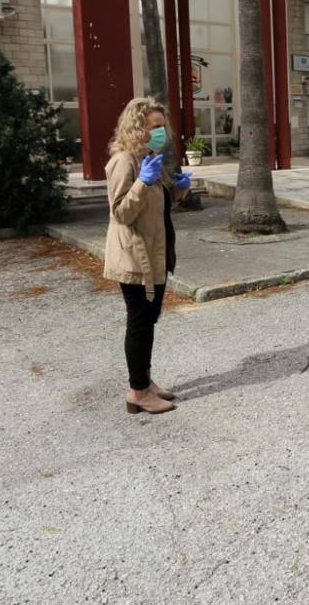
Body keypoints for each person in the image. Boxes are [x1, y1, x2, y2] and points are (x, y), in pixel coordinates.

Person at [104, 98, 192, 415]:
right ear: (138, 128)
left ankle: (145, 381)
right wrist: (142, 181)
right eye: (153, 127)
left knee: (149, 321)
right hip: (133, 257)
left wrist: (178, 190)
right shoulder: (124, 161)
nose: (160, 132)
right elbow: (122, 213)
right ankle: (137, 392)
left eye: (161, 126)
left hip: (155, 254)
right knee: (139, 323)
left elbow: (157, 209)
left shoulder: (149, 156)